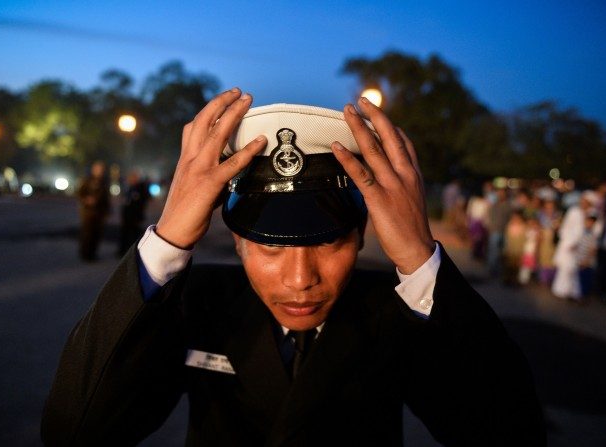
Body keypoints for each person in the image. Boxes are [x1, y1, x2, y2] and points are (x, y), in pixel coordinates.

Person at [42, 91, 545, 446]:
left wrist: (418, 258)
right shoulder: (197, 303)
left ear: (363, 236)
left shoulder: (394, 314)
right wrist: (167, 241)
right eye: (270, 247)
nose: (301, 279)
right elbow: (75, 431)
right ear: (236, 241)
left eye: (329, 243)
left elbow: (507, 432)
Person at [77, 161, 110, 261]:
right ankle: (85, 254)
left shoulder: (104, 182)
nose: (100, 171)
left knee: (97, 234)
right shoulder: (87, 180)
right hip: (88, 212)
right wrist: (86, 200)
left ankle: (93, 253)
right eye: (98, 169)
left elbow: (106, 198)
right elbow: (79, 193)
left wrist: (107, 211)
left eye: (101, 170)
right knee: (87, 233)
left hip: (99, 212)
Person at [117, 170, 150, 257]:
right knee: (125, 234)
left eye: (133, 178)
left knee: (134, 234)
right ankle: (123, 251)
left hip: (135, 216)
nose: (130, 180)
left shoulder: (140, 188)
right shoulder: (129, 188)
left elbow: (143, 200)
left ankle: (132, 252)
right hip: (127, 215)